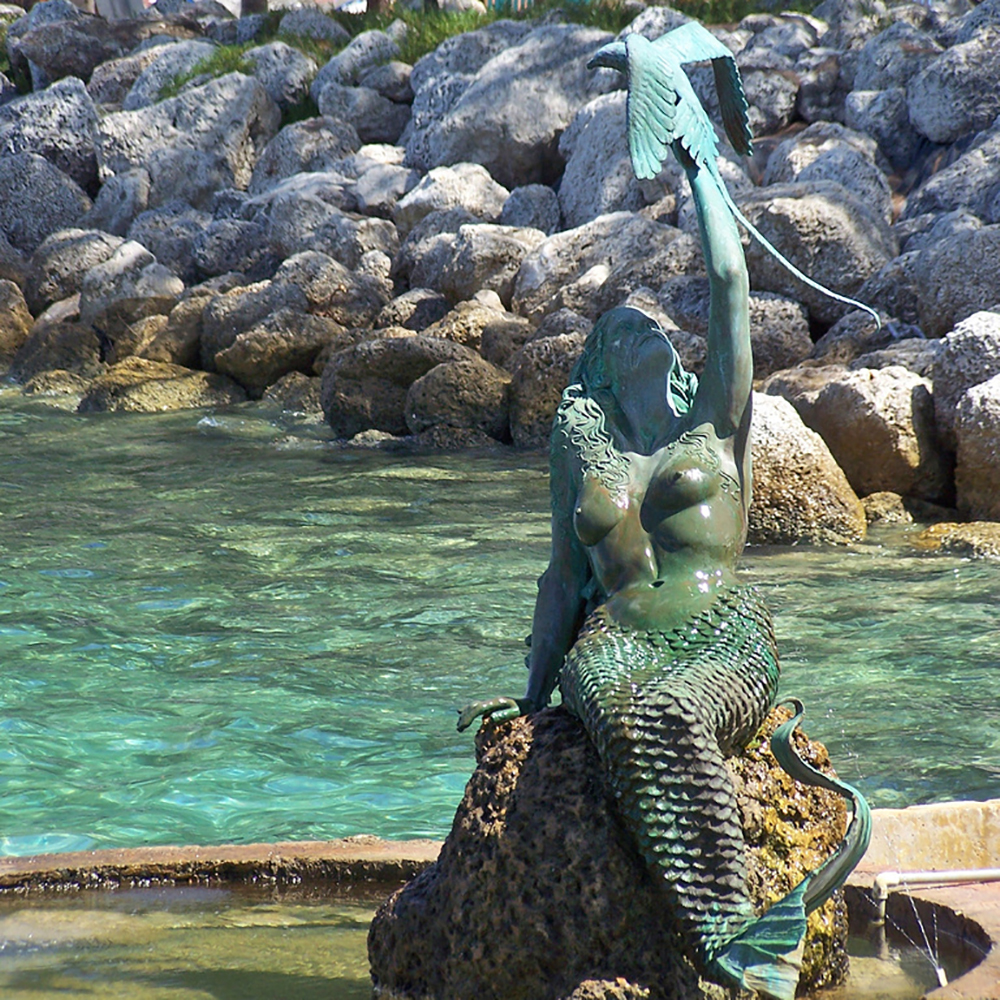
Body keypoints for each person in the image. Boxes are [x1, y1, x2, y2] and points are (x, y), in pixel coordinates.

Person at [459, 152, 812, 1000]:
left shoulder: (714, 429)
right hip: (609, 640)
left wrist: (697, 163)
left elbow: (730, 280)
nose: (633, 328)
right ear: (605, 372)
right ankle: (730, 938)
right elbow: (557, 583)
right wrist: (534, 700)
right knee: (624, 712)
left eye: (647, 324)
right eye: (614, 331)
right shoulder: (589, 460)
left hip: (719, 624)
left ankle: (730, 930)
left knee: (672, 710)